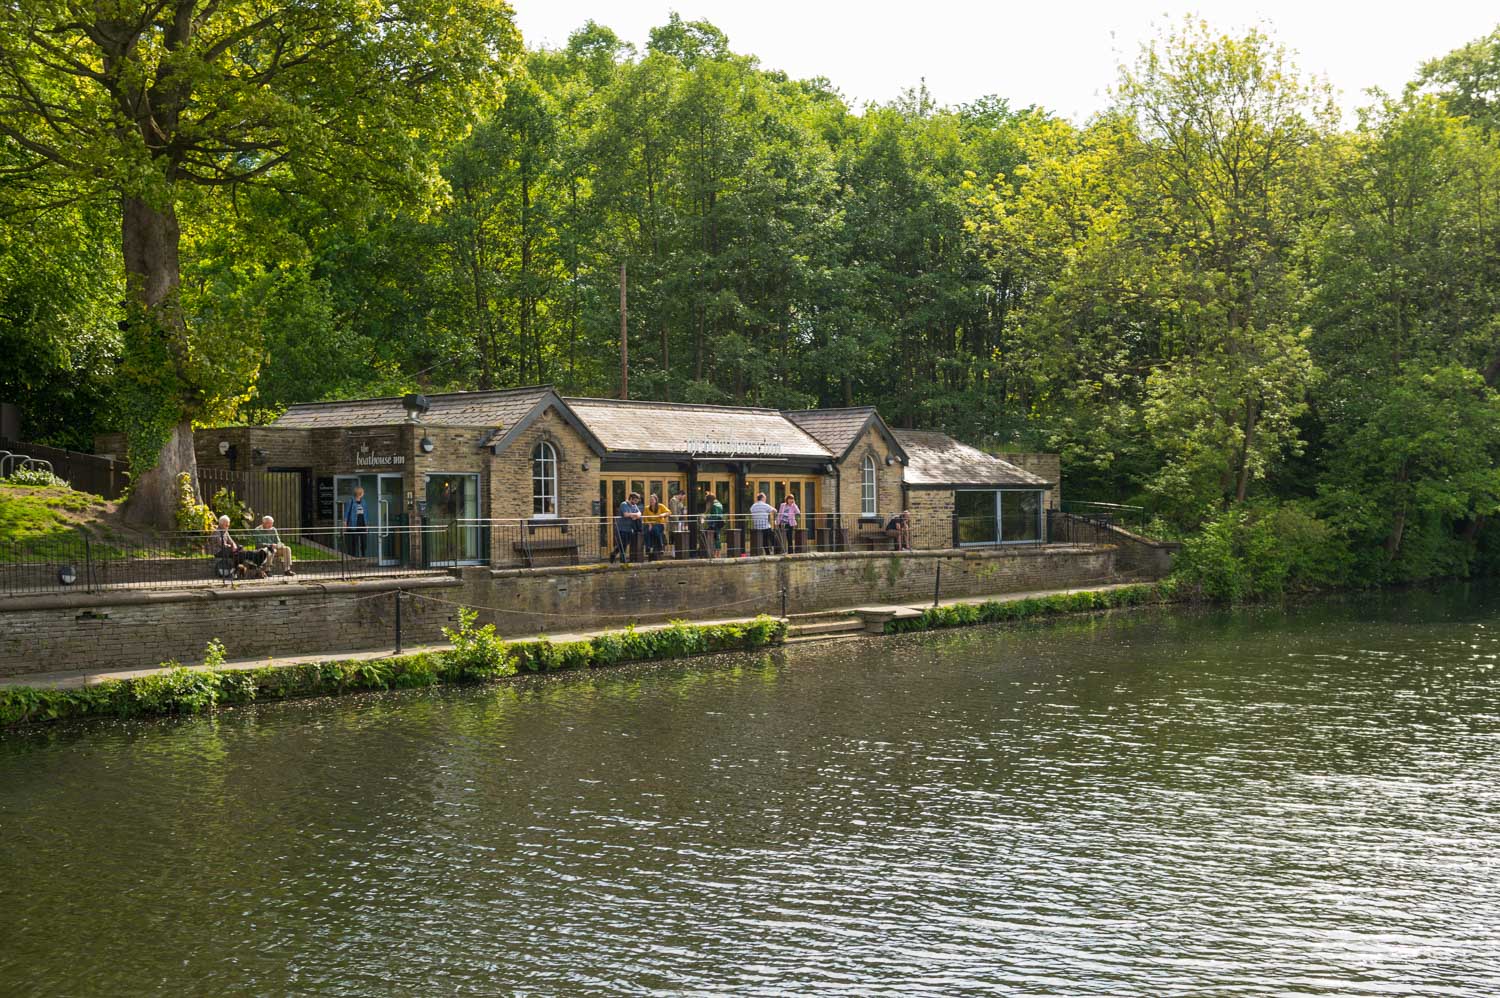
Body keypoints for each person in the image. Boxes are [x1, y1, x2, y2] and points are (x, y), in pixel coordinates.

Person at [610, 491, 642, 563]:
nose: (636, 502)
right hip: (621, 528)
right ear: (631, 498)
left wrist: (636, 515)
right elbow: (625, 514)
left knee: (625, 544)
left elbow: (639, 513)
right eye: (635, 500)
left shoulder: (634, 505)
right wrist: (634, 515)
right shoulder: (624, 504)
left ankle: (613, 554)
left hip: (629, 529)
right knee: (622, 545)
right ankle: (623, 561)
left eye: (637, 501)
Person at [642, 492, 670, 560]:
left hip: (659, 524)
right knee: (646, 531)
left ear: (656, 500)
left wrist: (663, 515)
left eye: (652, 499)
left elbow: (669, 512)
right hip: (650, 524)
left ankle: (660, 546)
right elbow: (645, 518)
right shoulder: (646, 508)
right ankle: (648, 547)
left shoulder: (660, 506)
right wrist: (649, 524)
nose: (651, 501)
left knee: (655, 530)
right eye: (650, 499)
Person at [343, 486, 368, 557]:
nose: (363, 493)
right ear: (359, 493)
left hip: (362, 524)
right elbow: (346, 513)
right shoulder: (350, 501)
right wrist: (345, 524)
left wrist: (366, 525)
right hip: (354, 525)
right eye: (363, 492)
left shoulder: (364, 502)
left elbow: (366, 514)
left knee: (364, 543)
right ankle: (353, 557)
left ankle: (363, 557)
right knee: (354, 543)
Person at [702, 491, 725, 558]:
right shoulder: (719, 504)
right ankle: (718, 553)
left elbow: (714, 516)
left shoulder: (714, 505)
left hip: (714, 523)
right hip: (719, 522)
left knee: (715, 538)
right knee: (717, 538)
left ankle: (715, 554)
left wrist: (706, 517)